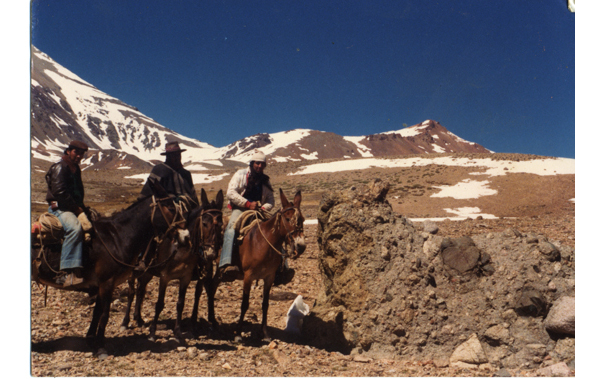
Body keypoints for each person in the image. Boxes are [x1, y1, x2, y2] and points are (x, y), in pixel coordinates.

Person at [219, 150, 275, 280]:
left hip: (258, 211)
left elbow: (271, 200)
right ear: (252, 163)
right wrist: (247, 204)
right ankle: (226, 263)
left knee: (275, 228)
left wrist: (263, 207)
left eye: (262, 164)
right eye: (257, 163)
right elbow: (231, 193)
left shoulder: (266, 181)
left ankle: (281, 268)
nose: (260, 166)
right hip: (240, 209)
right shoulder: (240, 174)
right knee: (231, 228)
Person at [45, 140, 91, 288]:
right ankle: (64, 272)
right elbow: (59, 193)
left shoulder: (74, 168)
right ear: (68, 151)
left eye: (81, 154)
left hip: (72, 207)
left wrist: (82, 208)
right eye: (76, 152)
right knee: (74, 228)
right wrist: (77, 210)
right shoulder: (60, 167)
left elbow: (77, 192)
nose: (78, 156)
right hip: (60, 208)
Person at [139, 141, 199, 207]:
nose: (177, 158)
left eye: (178, 155)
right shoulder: (159, 170)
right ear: (168, 157)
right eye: (173, 155)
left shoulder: (186, 174)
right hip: (167, 208)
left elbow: (193, 196)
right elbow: (146, 194)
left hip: (189, 209)